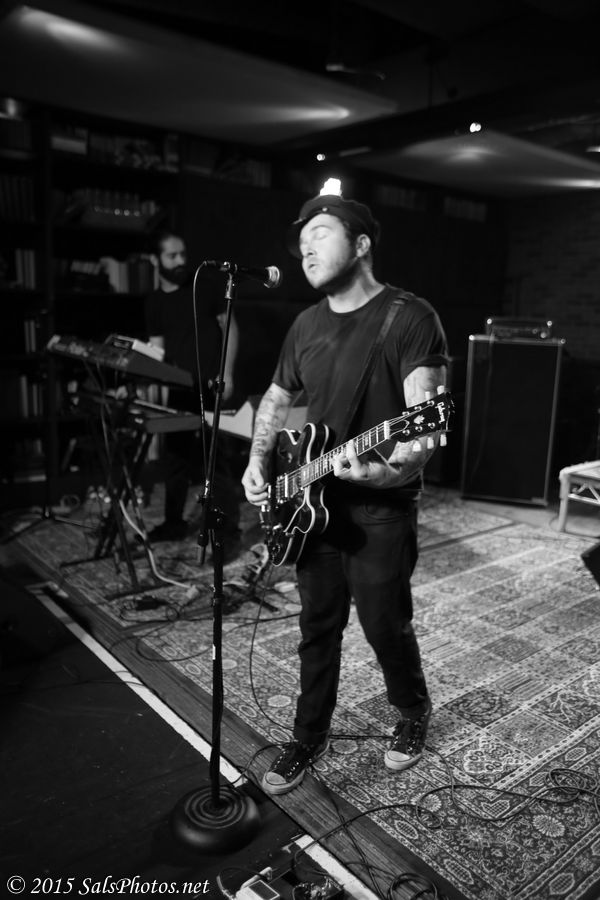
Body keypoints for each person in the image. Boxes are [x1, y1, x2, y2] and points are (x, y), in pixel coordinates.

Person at [241, 194, 449, 795]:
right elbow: (278, 397)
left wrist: (382, 474)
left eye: (321, 233)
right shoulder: (305, 324)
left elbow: (424, 428)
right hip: (310, 502)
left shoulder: (409, 316)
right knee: (317, 626)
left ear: (361, 245)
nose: (306, 247)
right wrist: (258, 461)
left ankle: (411, 712)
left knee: (385, 624)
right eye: (301, 239)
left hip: (381, 506)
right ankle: (308, 735)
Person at [145, 230, 241, 548]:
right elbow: (157, 350)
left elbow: (230, 327)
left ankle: (228, 528)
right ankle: (174, 523)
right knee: (176, 459)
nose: (180, 261)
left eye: (182, 254)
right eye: (172, 255)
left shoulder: (204, 286)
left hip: (212, 384)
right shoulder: (155, 301)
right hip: (179, 389)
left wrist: (227, 373)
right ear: (155, 260)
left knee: (217, 458)